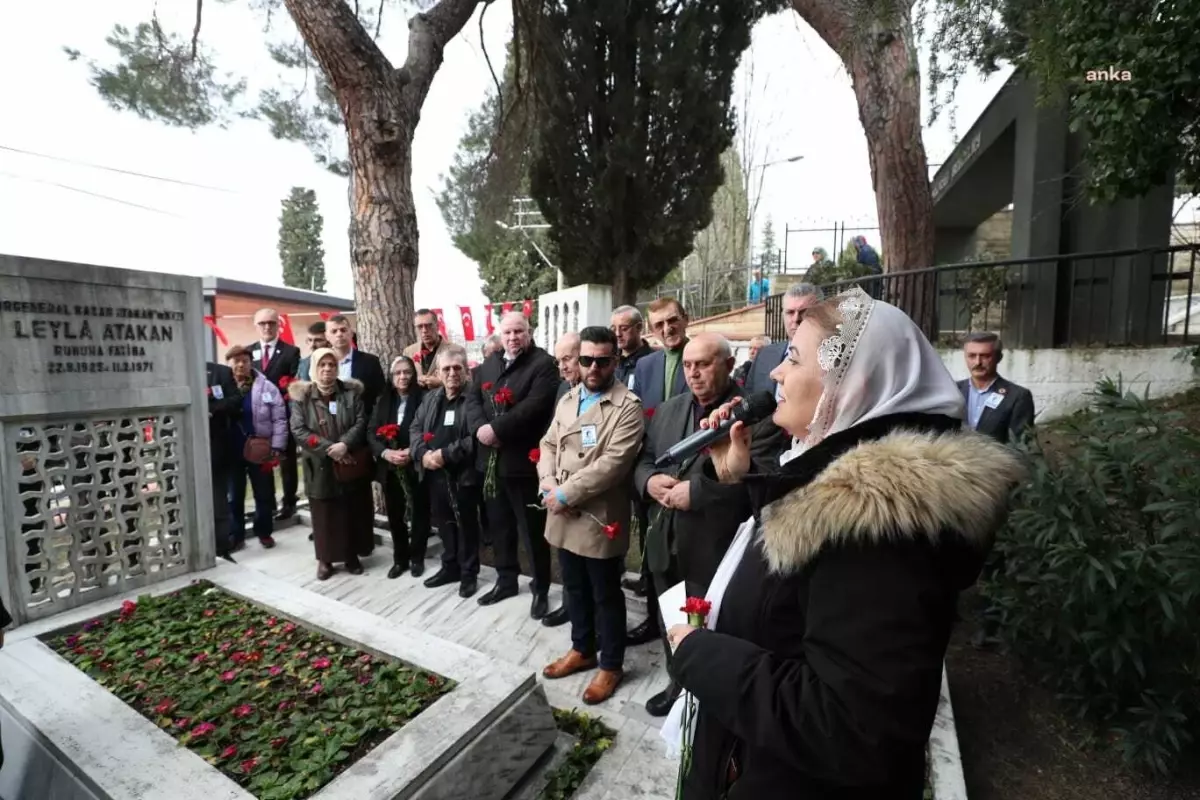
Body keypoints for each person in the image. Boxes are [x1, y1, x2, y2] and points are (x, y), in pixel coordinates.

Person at [665, 288, 1027, 799]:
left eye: (793, 356)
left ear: (849, 381)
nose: (775, 373)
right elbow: (783, 593)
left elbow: (850, 729)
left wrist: (702, 655)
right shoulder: (832, 480)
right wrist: (731, 485)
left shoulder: (879, 526)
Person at [633, 333, 756, 717]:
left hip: (713, 546)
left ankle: (709, 697)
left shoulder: (752, 412)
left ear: (729, 365)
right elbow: (646, 459)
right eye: (687, 365)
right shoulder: (669, 409)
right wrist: (649, 481)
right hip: (664, 540)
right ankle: (678, 682)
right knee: (672, 616)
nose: (694, 373)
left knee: (711, 624)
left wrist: (698, 493)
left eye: (703, 364)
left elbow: (759, 479)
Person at [538, 326, 644, 704]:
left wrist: (564, 493)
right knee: (574, 587)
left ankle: (611, 664)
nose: (593, 367)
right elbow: (548, 442)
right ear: (577, 361)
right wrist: (548, 482)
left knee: (605, 594)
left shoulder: (627, 407)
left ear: (615, 360)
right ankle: (582, 648)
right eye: (586, 360)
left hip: (597, 514)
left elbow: (612, 465)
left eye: (602, 360)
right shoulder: (568, 399)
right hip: (561, 508)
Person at [466, 311, 560, 617]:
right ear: (500, 334)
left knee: (531, 530)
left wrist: (497, 430)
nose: (513, 337)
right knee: (500, 525)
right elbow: (473, 401)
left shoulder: (543, 364)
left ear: (528, 332)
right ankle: (506, 580)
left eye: (519, 331)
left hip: (522, 464)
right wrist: (482, 429)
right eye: (507, 332)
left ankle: (541, 587)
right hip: (490, 464)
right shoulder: (487, 365)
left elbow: (535, 407)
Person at [289, 348, 372, 580]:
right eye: (322, 365)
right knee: (324, 514)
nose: (327, 369)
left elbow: (360, 421)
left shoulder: (350, 393)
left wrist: (344, 444)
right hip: (320, 465)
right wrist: (329, 449)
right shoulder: (302, 397)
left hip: (348, 461)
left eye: (332, 365)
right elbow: (298, 429)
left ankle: (350, 555)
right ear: (314, 368)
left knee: (350, 510)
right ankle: (325, 560)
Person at [412, 345, 482, 598]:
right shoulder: (431, 398)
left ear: (466, 371)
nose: (452, 373)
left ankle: (468, 573)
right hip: (434, 473)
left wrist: (445, 454)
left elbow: (475, 438)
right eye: (446, 369)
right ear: (439, 373)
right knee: (443, 522)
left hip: (463, 474)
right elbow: (415, 429)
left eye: (457, 368)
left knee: (466, 524)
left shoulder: (474, 398)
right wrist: (423, 454)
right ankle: (449, 566)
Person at [368, 355, 430, 579]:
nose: (402, 377)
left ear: (413, 375)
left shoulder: (424, 398)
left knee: (420, 513)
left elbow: (428, 430)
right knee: (395, 515)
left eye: (407, 372)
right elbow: (371, 432)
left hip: (415, 464)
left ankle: (417, 558)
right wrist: (386, 452)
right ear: (391, 377)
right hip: (391, 467)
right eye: (397, 373)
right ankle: (400, 559)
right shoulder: (383, 400)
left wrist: (411, 452)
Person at [224, 345, 288, 551]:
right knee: (234, 495)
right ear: (229, 364)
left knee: (263, 493)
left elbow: (279, 418)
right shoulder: (223, 387)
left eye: (245, 360)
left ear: (251, 362)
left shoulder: (266, 387)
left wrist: (277, 445)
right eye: (236, 361)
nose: (241, 364)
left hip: (260, 448)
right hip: (232, 450)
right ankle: (237, 534)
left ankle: (264, 532)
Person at [244, 308, 302, 521]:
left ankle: (289, 502)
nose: (267, 327)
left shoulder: (291, 352)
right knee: (260, 460)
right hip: (257, 418)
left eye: (271, 323)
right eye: (262, 323)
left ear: (279, 325)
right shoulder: (248, 352)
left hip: (282, 416)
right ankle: (265, 505)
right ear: (256, 325)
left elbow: (294, 383)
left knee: (286, 461)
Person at [743, 284, 823, 396]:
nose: (796, 319)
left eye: (804, 312)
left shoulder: (833, 361)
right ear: (783, 315)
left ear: (821, 314)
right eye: (790, 312)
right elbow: (748, 398)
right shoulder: (764, 355)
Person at [958, 332, 1036, 444]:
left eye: (985, 356)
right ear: (965, 357)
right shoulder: (953, 390)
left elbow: (1020, 445)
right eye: (972, 356)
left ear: (999, 357)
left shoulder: (1017, 396)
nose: (978, 362)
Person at [205, 360, 240, 561]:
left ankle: (222, 548)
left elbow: (235, 400)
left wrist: (211, 409)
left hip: (217, 446)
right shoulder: (173, 370)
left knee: (219, 500)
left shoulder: (221, 372)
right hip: (183, 449)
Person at [325, 314, 386, 422]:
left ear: (351, 333)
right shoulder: (319, 363)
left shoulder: (370, 362)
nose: (339, 334)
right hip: (329, 424)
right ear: (327, 336)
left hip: (362, 424)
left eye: (343, 330)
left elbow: (380, 396)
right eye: (334, 331)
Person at [632, 298, 689, 412]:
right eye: (659, 325)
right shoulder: (644, 366)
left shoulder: (706, 358)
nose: (667, 328)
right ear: (652, 331)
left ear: (686, 320)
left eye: (672, 320)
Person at [611, 305, 654, 391]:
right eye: (613, 329)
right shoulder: (610, 360)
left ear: (639, 327)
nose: (617, 334)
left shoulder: (653, 361)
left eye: (624, 329)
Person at [403, 308, 448, 390]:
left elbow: (466, 380)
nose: (424, 330)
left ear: (437, 326)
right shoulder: (409, 351)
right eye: (420, 327)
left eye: (429, 325)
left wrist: (441, 383)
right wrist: (415, 380)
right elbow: (404, 377)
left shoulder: (455, 350)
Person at [554, 332, 582, 402]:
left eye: (566, 359)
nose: (562, 367)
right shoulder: (563, 388)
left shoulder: (595, 387)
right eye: (558, 362)